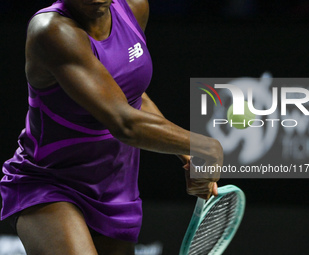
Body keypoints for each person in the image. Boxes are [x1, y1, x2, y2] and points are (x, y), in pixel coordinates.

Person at [0, 0, 223, 254]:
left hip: (115, 190)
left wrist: (186, 153)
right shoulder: (52, 30)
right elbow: (124, 123)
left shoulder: (135, 7)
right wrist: (207, 146)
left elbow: (130, 96)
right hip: (51, 183)